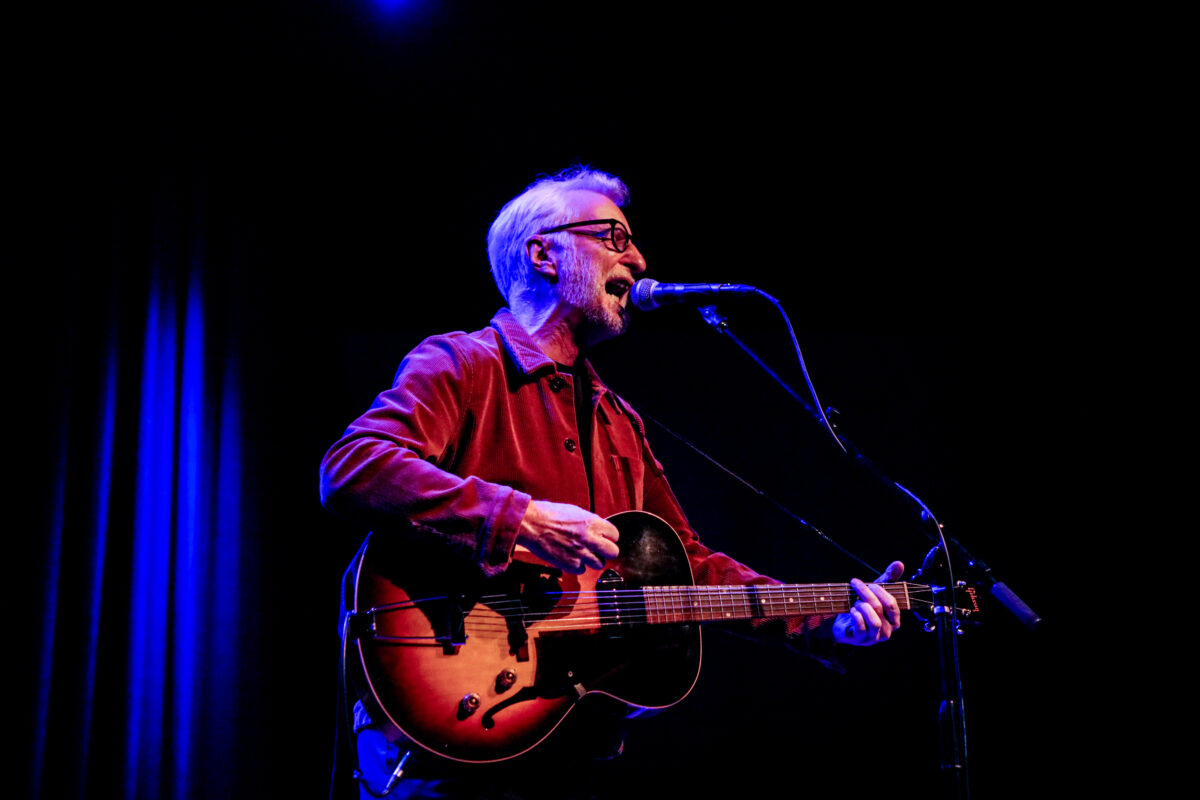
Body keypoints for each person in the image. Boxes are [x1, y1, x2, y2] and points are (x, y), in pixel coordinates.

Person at [319, 166, 904, 799]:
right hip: (446, 754)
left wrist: (827, 616)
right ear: (543, 253)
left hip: (572, 756)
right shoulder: (463, 363)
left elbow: (690, 567)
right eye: (614, 237)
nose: (640, 257)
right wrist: (519, 519)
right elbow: (354, 466)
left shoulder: (618, 419)